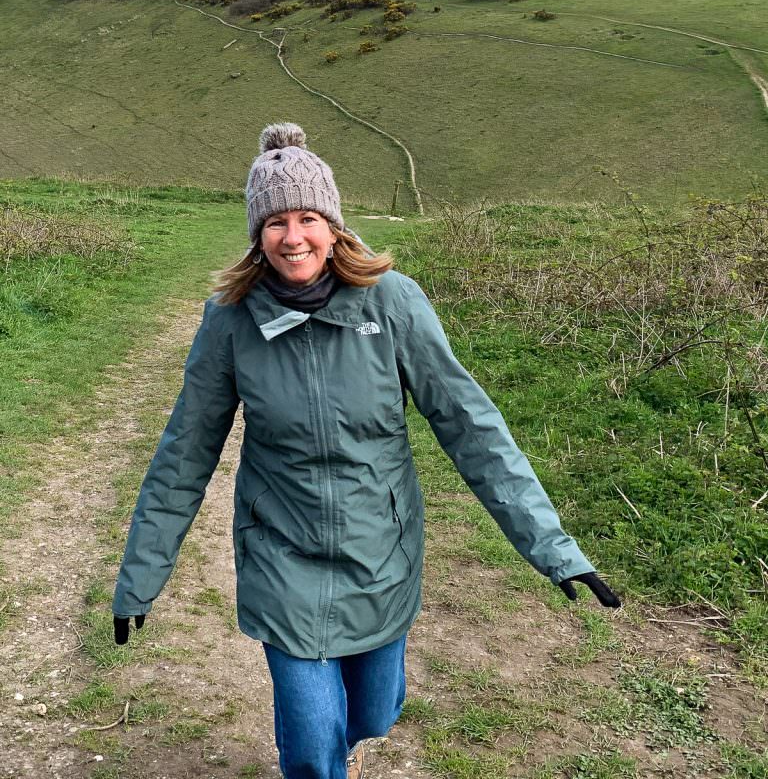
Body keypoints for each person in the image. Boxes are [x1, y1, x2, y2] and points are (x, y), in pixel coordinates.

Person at [112, 122, 621, 779]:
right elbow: (184, 456)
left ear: (333, 224)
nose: (292, 236)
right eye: (275, 222)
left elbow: (475, 430)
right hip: (282, 555)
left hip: (380, 549)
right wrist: (139, 581)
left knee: (374, 714)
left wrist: (555, 550)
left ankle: (346, 747)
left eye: (306, 218)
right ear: (256, 234)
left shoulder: (395, 303)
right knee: (309, 740)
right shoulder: (231, 321)